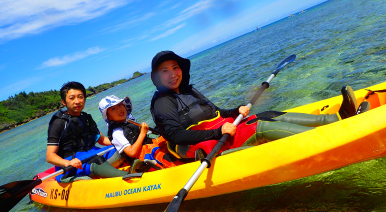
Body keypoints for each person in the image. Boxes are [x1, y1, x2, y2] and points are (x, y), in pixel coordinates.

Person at [149, 51, 361, 160]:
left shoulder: (188, 90)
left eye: (175, 68)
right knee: (260, 128)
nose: (172, 74)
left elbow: (217, 112)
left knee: (269, 114)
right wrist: (217, 132)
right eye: (165, 71)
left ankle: (337, 118)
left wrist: (236, 110)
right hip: (197, 144)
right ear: (158, 77)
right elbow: (175, 136)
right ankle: (332, 142)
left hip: (217, 130)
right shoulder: (162, 102)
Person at [46, 81, 128, 181]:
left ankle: (140, 163)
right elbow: (50, 156)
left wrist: (124, 141)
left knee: (123, 148)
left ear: (84, 99)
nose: (77, 101)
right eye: (72, 98)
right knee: (96, 160)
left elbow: (102, 140)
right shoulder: (58, 123)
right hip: (73, 165)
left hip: (94, 154)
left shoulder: (87, 118)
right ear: (64, 102)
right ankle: (128, 175)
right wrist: (68, 163)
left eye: (80, 97)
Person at [98, 95, 182, 172]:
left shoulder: (129, 122)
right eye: (113, 109)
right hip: (142, 156)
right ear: (108, 117)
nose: (119, 109)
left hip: (149, 146)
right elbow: (132, 153)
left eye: (119, 105)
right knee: (162, 154)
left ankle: (185, 152)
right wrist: (142, 133)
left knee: (167, 137)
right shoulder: (117, 133)